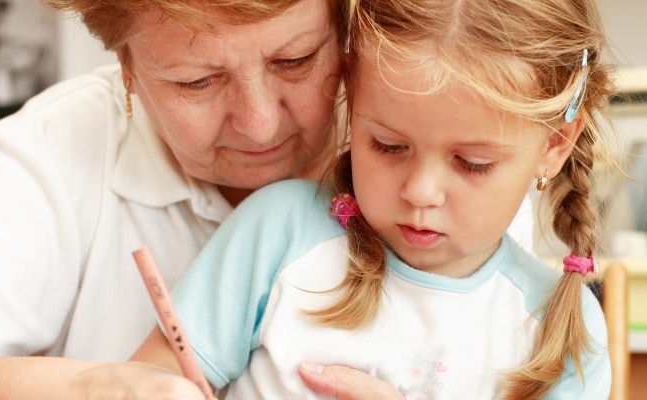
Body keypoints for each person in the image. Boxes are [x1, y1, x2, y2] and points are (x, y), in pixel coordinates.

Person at [131, 0, 618, 398]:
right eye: (387, 146)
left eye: (471, 162)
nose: (420, 192)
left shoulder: (561, 331)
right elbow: (142, 385)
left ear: (554, 146)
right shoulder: (278, 232)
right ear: (350, 98)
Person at [0, 0, 351, 398]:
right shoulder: (52, 152)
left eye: (297, 60)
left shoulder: (405, 122)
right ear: (128, 71)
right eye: (198, 81)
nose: (260, 125)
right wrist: (93, 389)